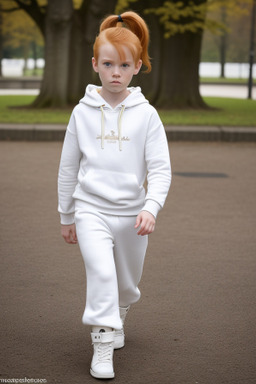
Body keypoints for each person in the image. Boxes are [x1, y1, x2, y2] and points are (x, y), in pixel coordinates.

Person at [58, 11, 171, 380]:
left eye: (124, 65)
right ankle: (102, 342)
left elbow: (160, 169)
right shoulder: (81, 113)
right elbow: (68, 168)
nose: (116, 72)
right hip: (91, 210)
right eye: (108, 64)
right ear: (96, 64)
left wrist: (151, 207)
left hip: (133, 215)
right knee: (101, 273)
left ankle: (120, 309)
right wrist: (67, 215)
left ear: (137, 66)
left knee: (126, 282)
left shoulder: (147, 116)